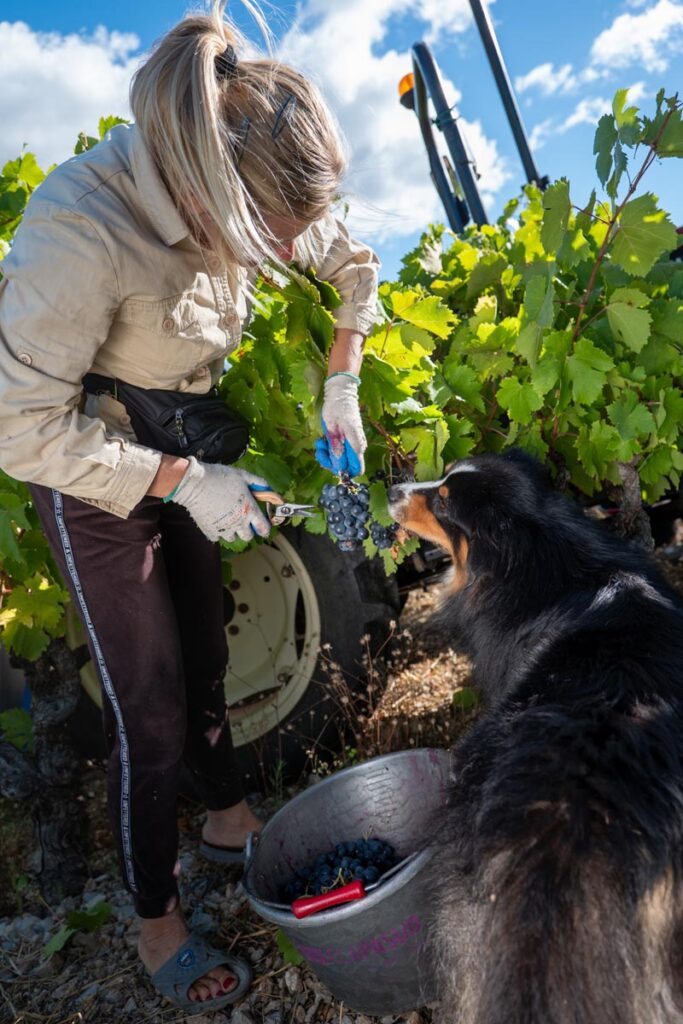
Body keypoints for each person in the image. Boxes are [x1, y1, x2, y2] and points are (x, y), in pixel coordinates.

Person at [0, 2, 378, 1012]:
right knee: (150, 704)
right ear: (214, 194)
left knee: (206, 650)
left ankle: (225, 822)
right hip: (83, 466)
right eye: (268, 237)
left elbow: (344, 255)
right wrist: (180, 485)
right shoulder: (82, 226)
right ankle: (153, 920)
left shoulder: (250, 165)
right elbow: (17, 427)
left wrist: (341, 371)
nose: (278, 251)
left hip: (179, 433)